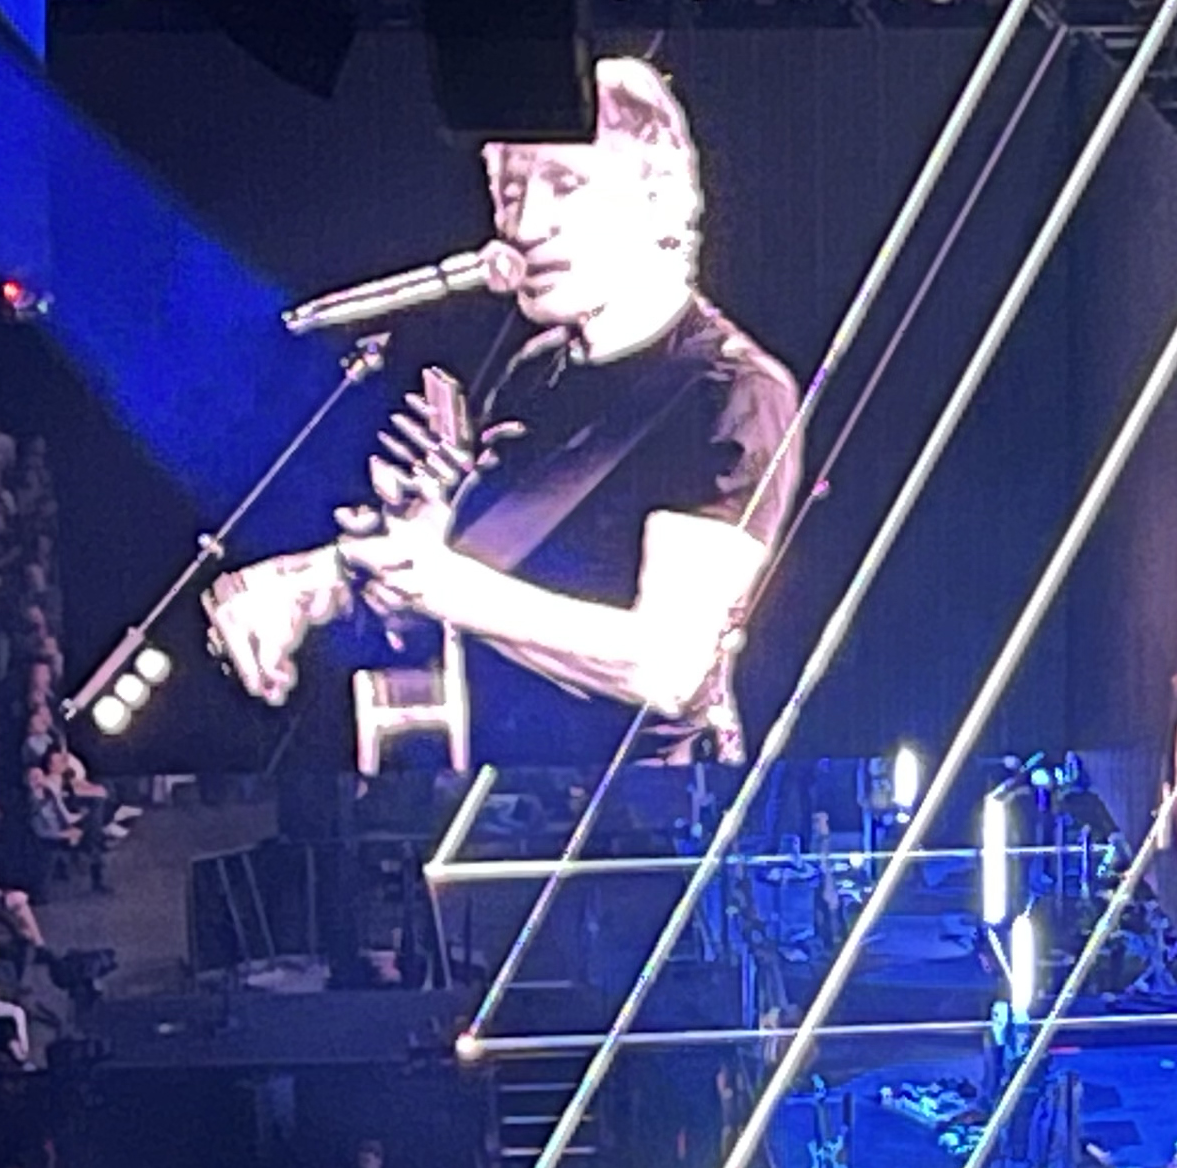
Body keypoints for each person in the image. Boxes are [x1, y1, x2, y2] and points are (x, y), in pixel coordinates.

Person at [204, 55, 804, 763]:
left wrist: (438, 584)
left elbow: (665, 666)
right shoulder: (534, 372)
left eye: (566, 185)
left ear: (658, 195)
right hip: (497, 791)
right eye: (510, 191)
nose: (524, 225)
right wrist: (309, 587)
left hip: (646, 808)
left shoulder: (733, 392)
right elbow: (479, 573)